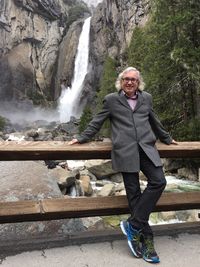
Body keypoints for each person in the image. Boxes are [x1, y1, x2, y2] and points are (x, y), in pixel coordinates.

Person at [69, 67, 177, 264]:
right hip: (125, 151)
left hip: (146, 149)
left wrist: (167, 138)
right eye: (126, 79)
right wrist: (83, 137)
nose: (129, 82)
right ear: (121, 81)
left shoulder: (147, 98)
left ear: (138, 82)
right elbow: (97, 121)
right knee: (134, 195)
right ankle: (147, 242)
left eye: (133, 80)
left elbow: (154, 120)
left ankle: (133, 225)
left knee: (159, 181)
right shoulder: (111, 100)